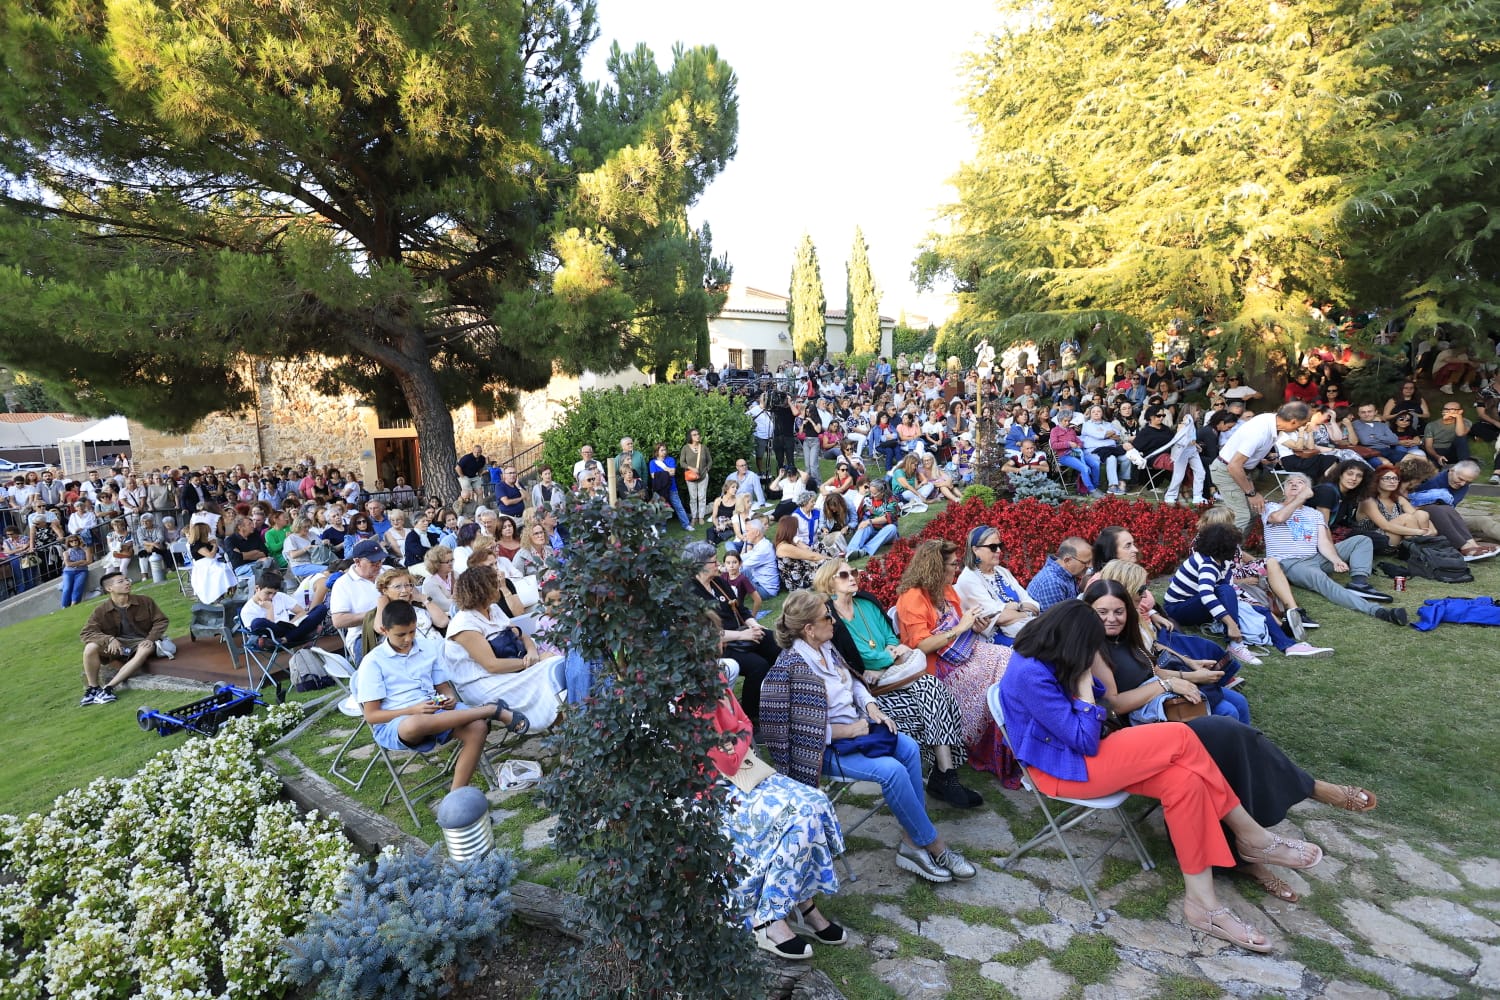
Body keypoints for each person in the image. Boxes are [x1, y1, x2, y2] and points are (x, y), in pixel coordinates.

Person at [999, 601, 1326, 953]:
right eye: (1091, 646)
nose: (1094, 653)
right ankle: (1251, 835)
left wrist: (1083, 681)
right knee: (1182, 737)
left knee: (1184, 781)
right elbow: (1083, 737)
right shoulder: (1030, 673)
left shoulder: (1050, 656)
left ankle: (1203, 905)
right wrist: (1080, 679)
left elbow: (1094, 705)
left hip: (1082, 757)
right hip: (1065, 770)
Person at [1082, 580, 1375, 905]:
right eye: (1102, 612)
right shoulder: (1094, 648)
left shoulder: (1129, 639)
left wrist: (1179, 675)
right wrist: (1169, 684)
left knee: (1227, 757)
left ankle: (1249, 858)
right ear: (1088, 612)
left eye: (1118, 611)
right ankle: (1311, 789)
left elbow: (1154, 667)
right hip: (1142, 736)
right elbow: (1116, 704)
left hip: (1168, 721)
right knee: (1229, 732)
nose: (1111, 618)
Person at [759, 591, 977, 884]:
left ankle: (912, 843)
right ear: (809, 629)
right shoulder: (791, 668)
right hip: (825, 750)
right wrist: (846, 730)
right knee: (893, 771)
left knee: (909, 747)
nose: (833, 620)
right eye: (827, 616)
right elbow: (792, 729)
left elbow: (855, 685)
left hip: (860, 733)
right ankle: (934, 845)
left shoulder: (826, 648)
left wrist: (872, 709)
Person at [814, 559, 981, 808]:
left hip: (896, 676)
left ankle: (946, 774)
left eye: (854, 572)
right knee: (931, 699)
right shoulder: (831, 620)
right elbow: (858, 660)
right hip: (871, 695)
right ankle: (941, 775)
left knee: (931, 687)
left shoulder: (866, 603)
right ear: (829, 583)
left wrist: (885, 657)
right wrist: (888, 655)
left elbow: (892, 638)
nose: (853, 577)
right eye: (844, 575)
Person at [706, 680, 845, 960]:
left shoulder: (716, 679)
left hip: (744, 776)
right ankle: (768, 919)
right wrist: (740, 737)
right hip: (709, 788)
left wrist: (737, 737)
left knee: (816, 802)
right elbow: (726, 759)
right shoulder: (686, 693)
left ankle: (800, 902)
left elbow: (745, 723)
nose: (719, 643)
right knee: (800, 818)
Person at [357, 600, 525, 795]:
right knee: (416, 723)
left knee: (478, 727)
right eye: (401, 634)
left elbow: (443, 687)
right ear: (384, 631)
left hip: (436, 710)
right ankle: (490, 709)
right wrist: (411, 710)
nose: (408, 639)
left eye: (412, 632)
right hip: (398, 721)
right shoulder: (373, 662)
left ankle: (456, 795)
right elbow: (372, 716)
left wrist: (448, 697)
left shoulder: (428, 647)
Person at [895, 539, 1017, 784]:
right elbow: (922, 645)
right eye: (952, 564)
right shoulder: (912, 598)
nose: (956, 569)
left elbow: (962, 628)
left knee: (1011, 661)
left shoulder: (947, 590)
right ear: (935, 568)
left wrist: (977, 626)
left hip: (964, 653)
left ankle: (1014, 743)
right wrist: (960, 628)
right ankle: (1002, 748)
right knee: (1001, 675)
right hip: (936, 667)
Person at [1263, 474, 1409, 625]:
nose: (1294, 485)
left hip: (1316, 557)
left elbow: (1323, 542)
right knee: (1324, 581)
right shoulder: (1271, 507)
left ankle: (1359, 582)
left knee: (1362, 540)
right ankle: (1378, 611)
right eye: (1289, 483)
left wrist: (1336, 560)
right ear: (1284, 491)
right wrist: (1300, 498)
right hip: (1290, 563)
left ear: (1308, 490)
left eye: (1300, 483)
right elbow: (1279, 518)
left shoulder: (1314, 514)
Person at [442, 565, 562, 731]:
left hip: (509, 668)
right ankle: (564, 730)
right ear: (483, 590)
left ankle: (564, 728)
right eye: (494, 583)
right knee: (551, 667)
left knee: (556, 664)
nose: (499, 583)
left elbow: (520, 634)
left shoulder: (493, 609)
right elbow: (492, 665)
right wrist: (533, 662)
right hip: (483, 683)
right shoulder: (464, 624)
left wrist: (532, 652)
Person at [687, 542, 779, 727]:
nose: (719, 565)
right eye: (714, 562)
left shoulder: (718, 581)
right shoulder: (689, 592)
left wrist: (753, 625)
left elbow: (740, 609)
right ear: (699, 566)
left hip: (740, 633)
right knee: (757, 666)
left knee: (775, 643)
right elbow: (704, 633)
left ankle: (778, 697)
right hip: (719, 647)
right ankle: (751, 716)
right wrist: (742, 636)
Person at [1209, 402, 1312, 532]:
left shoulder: (1271, 420)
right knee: (1242, 517)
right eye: (1301, 425)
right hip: (1227, 471)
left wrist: (1263, 456)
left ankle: (1237, 549)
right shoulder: (1259, 432)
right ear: (1292, 421)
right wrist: (1252, 494)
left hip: (1239, 469)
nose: (1301, 428)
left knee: (1253, 513)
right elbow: (1234, 466)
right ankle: (1222, 551)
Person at [78, 570, 170, 705]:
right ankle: (93, 689)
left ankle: (108, 689)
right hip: (118, 646)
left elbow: (161, 621)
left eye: (127, 580)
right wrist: (109, 639)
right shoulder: (101, 610)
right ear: (109, 588)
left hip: (142, 642)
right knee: (90, 647)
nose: (127, 582)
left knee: (144, 649)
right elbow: (86, 633)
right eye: (121, 581)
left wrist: (150, 639)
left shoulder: (145, 601)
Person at [953, 526, 1040, 645]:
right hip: (996, 642)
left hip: (1024, 631)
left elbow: (1034, 605)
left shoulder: (1002, 572)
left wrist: (1016, 607)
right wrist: (1024, 611)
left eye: (1000, 546)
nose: (999, 550)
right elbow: (998, 618)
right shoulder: (969, 578)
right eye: (993, 547)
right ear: (975, 549)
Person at [1406, 459, 1500, 560]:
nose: (1462, 484)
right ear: (1451, 471)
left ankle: (1472, 543)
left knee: (1482, 520)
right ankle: (1466, 547)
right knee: (1437, 509)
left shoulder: (1463, 486)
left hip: (1449, 517)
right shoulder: (1430, 479)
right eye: (1460, 479)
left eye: (1467, 482)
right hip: (1426, 518)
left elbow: (1451, 507)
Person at [239, 570, 329, 647]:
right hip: (272, 635)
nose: (271, 597)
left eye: (274, 593)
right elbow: (257, 634)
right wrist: (270, 608)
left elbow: (301, 612)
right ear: (257, 588)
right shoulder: (247, 610)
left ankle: (285, 639)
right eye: (268, 593)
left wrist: (292, 623)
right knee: (257, 622)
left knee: (321, 609)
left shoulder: (280, 596)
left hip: (289, 628)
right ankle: (302, 633)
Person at [1049, 403, 1102, 495]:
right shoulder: (1055, 431)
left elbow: (1079, 441)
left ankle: (1095, 486)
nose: (1067, 423)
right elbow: (1054, 445)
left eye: (1069, 421)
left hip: (1077, 453)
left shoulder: (1071, 430)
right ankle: (1092, 490)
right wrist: (1068, 444)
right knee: (1084, 468)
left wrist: (1078, 445)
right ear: (1060, 420)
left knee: (1095, 464)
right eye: (1065, 421)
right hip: (1065, 455)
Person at [1026, 536, 1091, 611]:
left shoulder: (1067, 574)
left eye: (1090, 561)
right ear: (1067, 561)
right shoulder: (1052, 582)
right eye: (1085, 562)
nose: (1089, 566)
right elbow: (1056, 620)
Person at [845, 479, 901, 560]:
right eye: (870, 492)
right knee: (865, 526)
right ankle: (851, 551)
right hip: (872, 530)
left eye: (874, 493)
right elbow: (858, 514)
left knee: (892, 528)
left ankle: (865, 551)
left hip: (886, 533)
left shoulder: (892, 501)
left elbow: (887, 518)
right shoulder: (868, 498)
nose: (871, 495)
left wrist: (869, 521)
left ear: (882, 493)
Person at [649, 442, 693, 530]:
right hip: (660, 489)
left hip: (672, 488)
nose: (664, 452)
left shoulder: (670, 460)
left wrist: (661, 467)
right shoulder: (652, 462)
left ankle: (686, 525)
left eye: (665, 450)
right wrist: (666, 472)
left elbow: (672, 473)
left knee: (678, 507)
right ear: (656, 451)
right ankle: (663, 527)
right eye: (662, 450)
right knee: (662, 508)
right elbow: (653, 476)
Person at [1423, 399, 1472, 467]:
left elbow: (1460, 434)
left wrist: (1458, 417)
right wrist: (1437, 456)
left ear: (1460, 411)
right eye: (1445, 409)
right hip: (1437, 451)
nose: (1448, 411)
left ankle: (1465, 466)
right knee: (1433, 469)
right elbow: (1428, 446)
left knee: (1462, 438)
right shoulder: (1431, 425)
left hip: (1452, 450)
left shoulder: (1465, 422)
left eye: (1452, 409)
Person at [738, 518, 779, 599]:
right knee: (734, 569)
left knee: (736, 573)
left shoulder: (763, 548)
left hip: (766, 591)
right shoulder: (761, 544)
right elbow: (743, 557)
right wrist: (728, 562)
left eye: (747, 531)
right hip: (758, 581)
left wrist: (725, 568)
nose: (745, 534)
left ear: (757, 532)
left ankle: (730, 598)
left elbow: (741, 567)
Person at [680, 428, 713, 526]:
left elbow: (710, 461)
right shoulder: (685, 448)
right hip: (690, 476)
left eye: (698, 434)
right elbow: (682, 463)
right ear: (690, 437)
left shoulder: (703, 447)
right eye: (694, 435)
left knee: (702, 497)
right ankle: (694, 517)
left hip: (703, 475)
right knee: (693, 498)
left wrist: (706, 469)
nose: (697, 436)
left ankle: (701, 517)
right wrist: (691, 468)